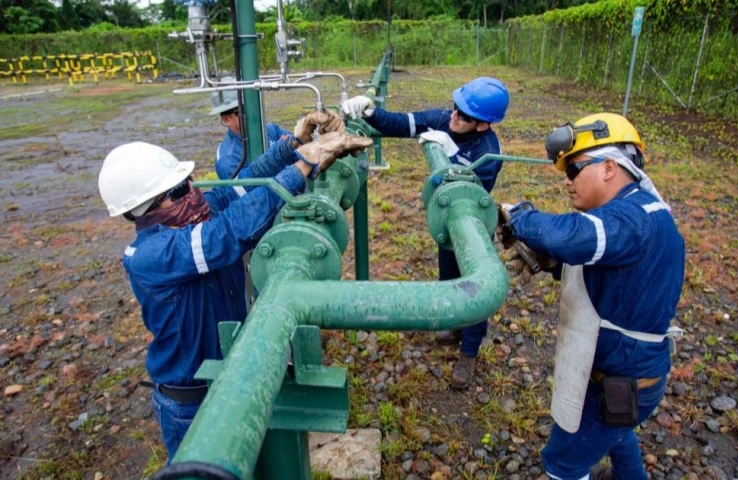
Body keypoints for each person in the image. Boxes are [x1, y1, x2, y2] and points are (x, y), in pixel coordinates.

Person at [97, 129, 371, 464]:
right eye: (182, 188)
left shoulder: (188, 212)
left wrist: (293, 144)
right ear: (146, 209)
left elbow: (248, 184)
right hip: (191, 402)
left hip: (228, 375)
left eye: (190, 181)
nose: (195, 192)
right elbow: (228, 234)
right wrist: (302, 168)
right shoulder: (150, 255)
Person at [497, 113, 685, 480]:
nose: (567, 182)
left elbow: (573, 236)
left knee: (562, 461)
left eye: (574, 170)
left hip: (620, 377)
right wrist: (555, 264)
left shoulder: (631, 219)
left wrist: (518, 216)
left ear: (610, 167)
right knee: (615, 431)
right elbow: (610, 272)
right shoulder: (638, 211)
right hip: (627, 374)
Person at [340, 77, 510, 389]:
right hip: (447, 221)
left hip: (472, 226)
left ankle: (469, 350)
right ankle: (456, 324)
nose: (455, 116)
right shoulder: (446, 119)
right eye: (456, 108)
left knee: (475, 282)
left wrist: (452, 155)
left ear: (484, 125)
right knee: (447, 274)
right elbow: (400, 123)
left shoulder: (489, 152)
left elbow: (472, 187)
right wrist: (369, 112)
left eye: (465, 116)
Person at [210, 77, 343, 181]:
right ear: (226, 119)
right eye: (244, 109)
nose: (253, 113)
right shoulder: (227, 159)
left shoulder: (270, 130)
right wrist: (281, 151)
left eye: (254, 106)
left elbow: (303, 146)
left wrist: (320, 131)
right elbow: (250, 199)